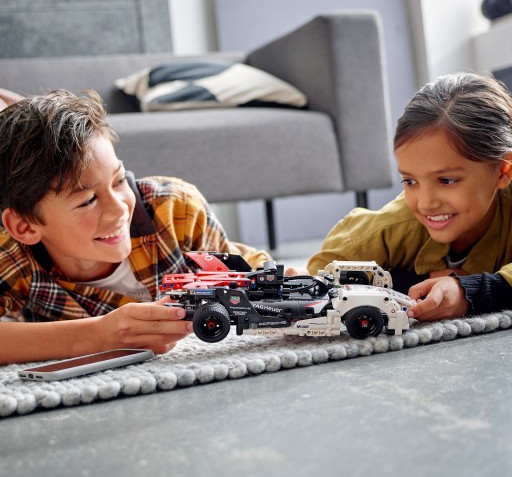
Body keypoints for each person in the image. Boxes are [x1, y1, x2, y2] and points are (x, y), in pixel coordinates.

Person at [0, 88, 271, 364]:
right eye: (88, 200)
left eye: (119, 181)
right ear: (25, 227)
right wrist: (100, 335)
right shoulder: (12, 258)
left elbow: (240, 271)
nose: (119, 208)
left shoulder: (176, 209)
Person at [307, 72, 512, 321]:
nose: (425, 203)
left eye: (447, 180)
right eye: (410, 181)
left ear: (503, 172)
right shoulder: (395, 225)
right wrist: (413, 281)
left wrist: (470, 290)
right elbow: (322, 275)